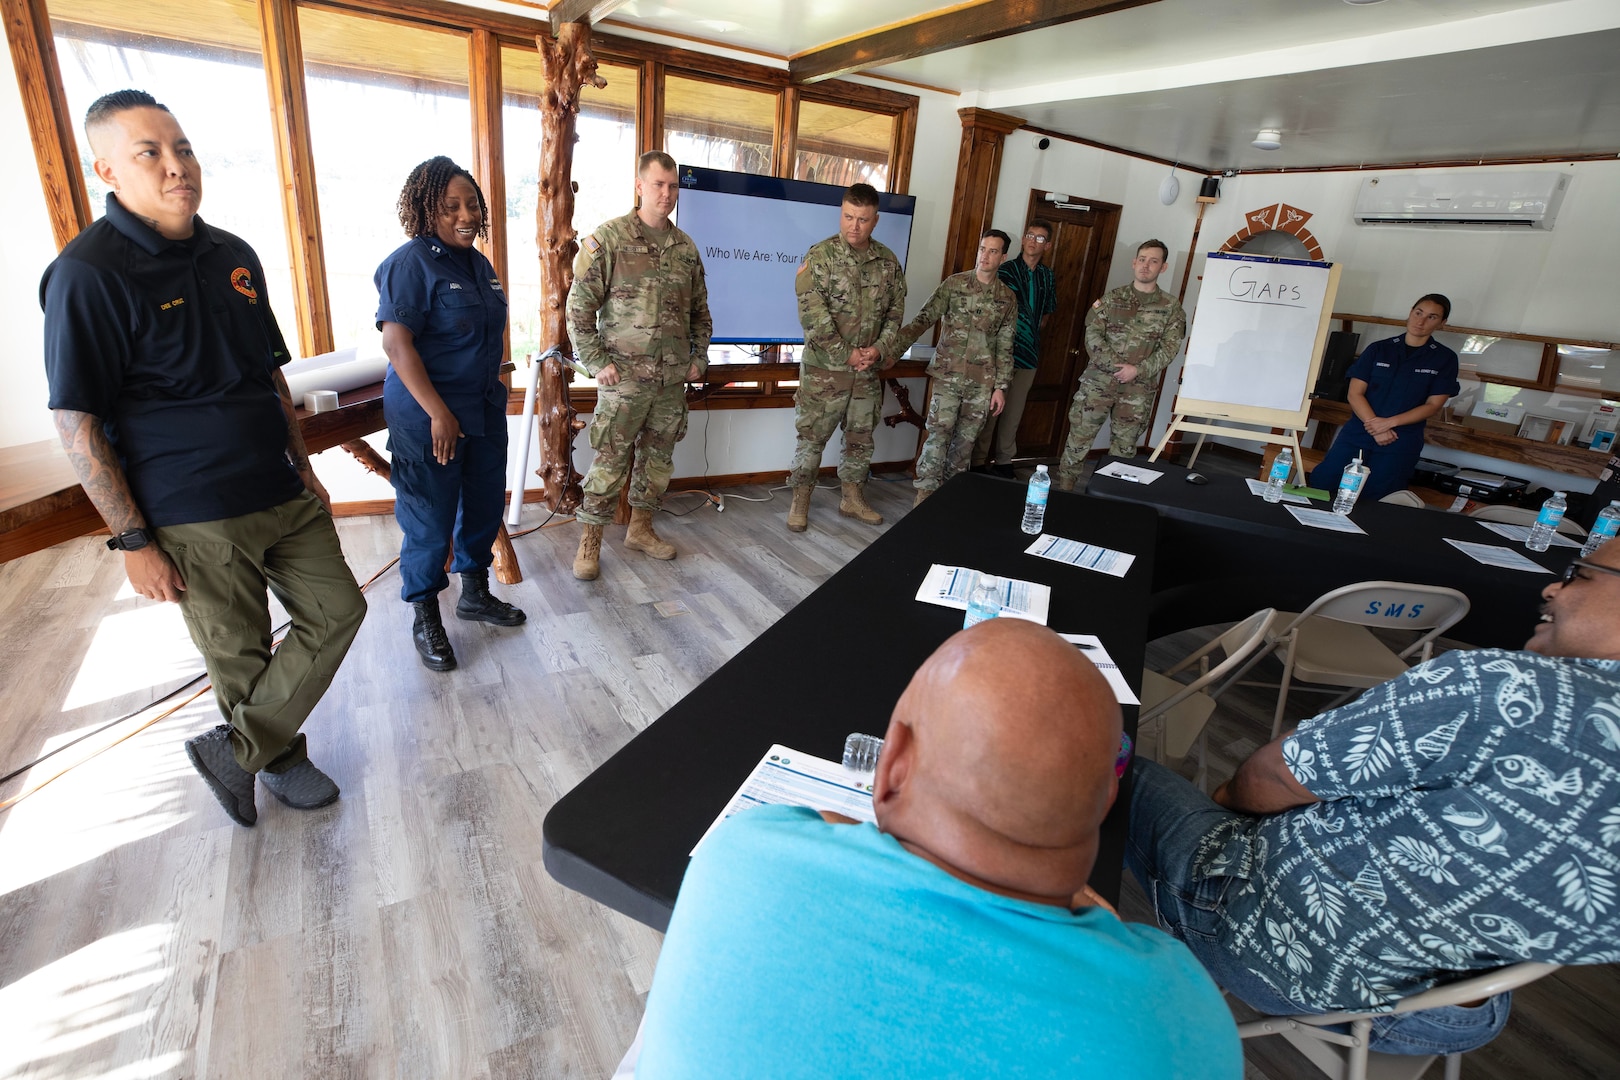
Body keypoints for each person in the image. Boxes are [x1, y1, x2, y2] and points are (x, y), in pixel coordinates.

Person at [633, 620, 1242, 1078]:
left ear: (891, 762)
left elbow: (827, 822)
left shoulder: (744, 851)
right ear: (1108, 801)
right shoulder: (1184, 1020)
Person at [1127, 541, 1620, 1055]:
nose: (1552, 587)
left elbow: (1273, 778)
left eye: (1581, 575)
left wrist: (1220, 813)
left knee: (1116, 765)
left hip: (1269, 955)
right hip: (1448, 1014)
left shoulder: (1502, 689)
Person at [41, 90, 366, 828]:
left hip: (276, 482)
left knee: (339, 609)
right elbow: (77, 420)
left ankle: (239, 749)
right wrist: (133, 541)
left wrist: (307, 466)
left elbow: (269, 374)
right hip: (191, 506)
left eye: (181, 147)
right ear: (108, 170)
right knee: (240, 652)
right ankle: (277, 759)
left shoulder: (233, 254)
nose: (175, 165)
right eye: (148, 153)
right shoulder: (87, 274)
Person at [376, 156, 524, 674]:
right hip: (430, 417)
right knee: (429, 524)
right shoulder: (410, 263)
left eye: (472, 205)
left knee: (483, 507)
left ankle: (474, 595)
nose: (465, 214)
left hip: (482, 410)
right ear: (426, 211)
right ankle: (425, 615)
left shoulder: (478, 265)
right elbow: (398, 345)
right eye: (451, 206)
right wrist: (438, 413)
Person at [566, 151, 711, 581]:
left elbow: (700, 314)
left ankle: (641, 529)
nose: (666, 194)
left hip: (670, 384)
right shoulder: (609, 239)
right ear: (640, 186)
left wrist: (698, 359)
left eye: (672, 187)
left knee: (658, 462)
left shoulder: (685, 248)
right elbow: (578, 309)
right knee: (610, 461)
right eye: (658, 185)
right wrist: (596, 363)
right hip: (624, 381)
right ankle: (590, 543)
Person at [785, 182, 908, 533]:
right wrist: (848, 354)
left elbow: (895, 312)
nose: (854, 226)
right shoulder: (820, 257)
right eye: (848, 216)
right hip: (825, 373)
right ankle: (800, 501)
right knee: (811, 439)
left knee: (860, 438)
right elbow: (812, 316)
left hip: (866, 373)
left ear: (876, 220)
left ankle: (852, 498)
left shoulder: (887, 262)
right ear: (841, 213)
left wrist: (879, 349)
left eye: (863, 219)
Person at [896, 228, 1017, 506]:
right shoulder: (954, 285)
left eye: (993, 251)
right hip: (949, 377)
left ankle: (950, 497)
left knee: (965, 444)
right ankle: (924, 496)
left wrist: (1001, 388)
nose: (985, 256)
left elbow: (1006, 346)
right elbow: (924, 318)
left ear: (1003, 257)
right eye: (982, 249)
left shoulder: (1007, 298)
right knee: (938, 436)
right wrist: (891, 350)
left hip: (982, 383)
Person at [1055, 240, 1186, 490]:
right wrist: (1115, 367)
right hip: (1098, 384)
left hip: (1138, 390)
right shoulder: (1112, 299)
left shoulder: (1171, 309)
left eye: (1153, 261)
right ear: (1134, 262)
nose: (1146, 266)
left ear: (1164, 267)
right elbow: (1092, 336)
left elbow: (1170, 348)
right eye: (1143, 259)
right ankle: (1065, 490)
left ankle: (1110, 495)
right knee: (1079, 440)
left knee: (1124, 449)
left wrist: (1138, 370)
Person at [1308, 295, 1460, 501]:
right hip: (1359, 432)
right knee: (1324, 483)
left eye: (1432, 317)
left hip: (1400, 439)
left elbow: (1433, 405)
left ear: (1442, 323)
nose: (1421, 321)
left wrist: (1388, 424)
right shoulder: (1379, 349)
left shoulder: (1445, 358)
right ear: (1410, 312)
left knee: (1380, 498)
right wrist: (1375, 426)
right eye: (1418, 313)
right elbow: (1355, 393)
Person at [973, 219, 1057, 477]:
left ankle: (1004, 462)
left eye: (1040, 238)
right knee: (990, 412)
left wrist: (1028, 335)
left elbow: (1045, 316)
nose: (1033, 241)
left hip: (1028, 355)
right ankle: (977, 462)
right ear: (1023, 238)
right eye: (1030, 235)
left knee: (1013, 412)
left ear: (1048, 245)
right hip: (998, 355)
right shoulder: (1006, 270)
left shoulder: (1047, 276)